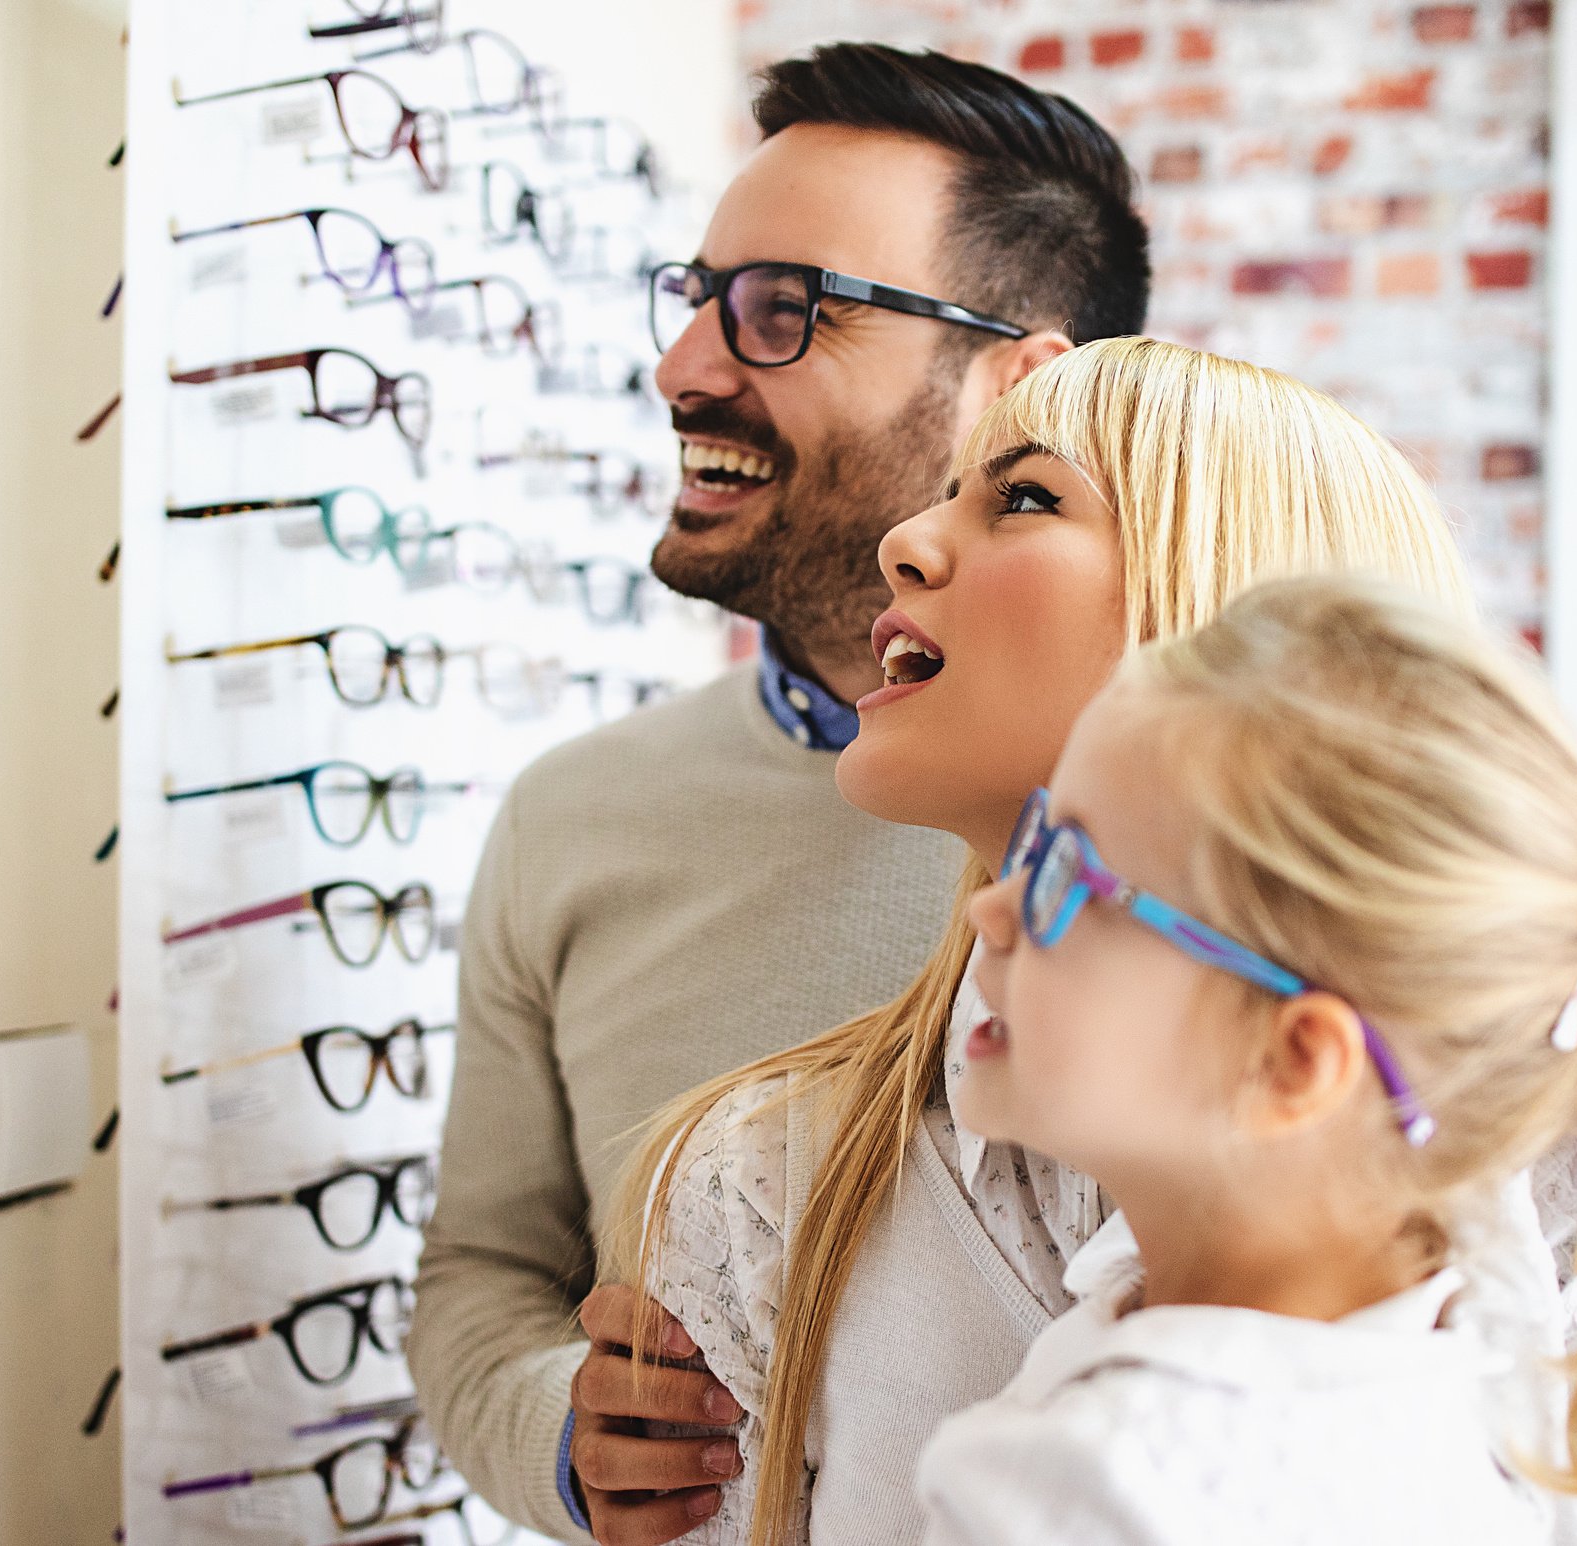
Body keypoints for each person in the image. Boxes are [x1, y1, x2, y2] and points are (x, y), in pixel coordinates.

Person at [610, 337, 1577, 1546]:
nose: (902, 541)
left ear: (1259, 625)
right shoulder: (760, 1179)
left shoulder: (1576, 1156)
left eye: (1024, 499)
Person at [407, 43, 1149, 1543]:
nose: (685, 366)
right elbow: (478, 1276)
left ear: (1018, 381)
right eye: (697, 296)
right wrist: (567, 1428)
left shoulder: (1246, 834)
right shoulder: (573, 815)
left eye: (782, 310)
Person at [912, 574, 1577, 1546]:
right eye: (1031, 840)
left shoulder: (1081, 1490)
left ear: (1294, 1061)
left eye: (1069, 875)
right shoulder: (1458, 1355)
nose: (990, 908)